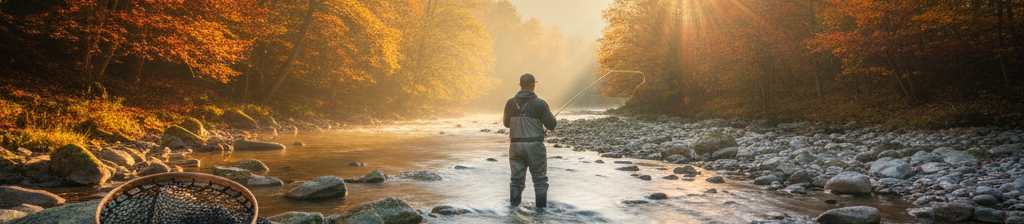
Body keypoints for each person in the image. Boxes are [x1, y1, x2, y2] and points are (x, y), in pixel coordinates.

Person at [502, 73, 557, 210]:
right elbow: (551, 125)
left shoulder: (510, 103)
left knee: (516, 181)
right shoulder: (540, 103)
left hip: (515, 147)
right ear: (533, 86)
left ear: (520, 85)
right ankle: (541, 212)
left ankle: (514, 211)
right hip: (535, 147)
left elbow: (506, 124)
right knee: (540, 181)